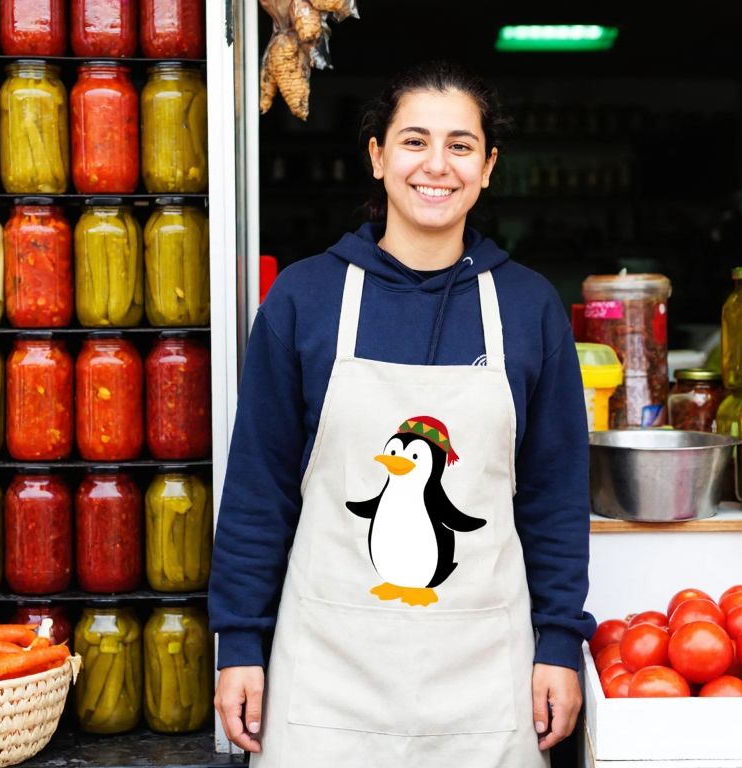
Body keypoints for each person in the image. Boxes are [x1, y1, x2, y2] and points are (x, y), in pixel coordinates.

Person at [208, 61, 595, 765]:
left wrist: (561, 640)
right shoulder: (305, 299)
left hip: (485, 673)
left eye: (461, 145)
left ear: (489, 167)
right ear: (377, 155)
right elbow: (258, 490)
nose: (436, 166)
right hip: (327, 673)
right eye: (414, 141)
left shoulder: (529, 308)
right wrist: (238, 640)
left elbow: (554, 496)